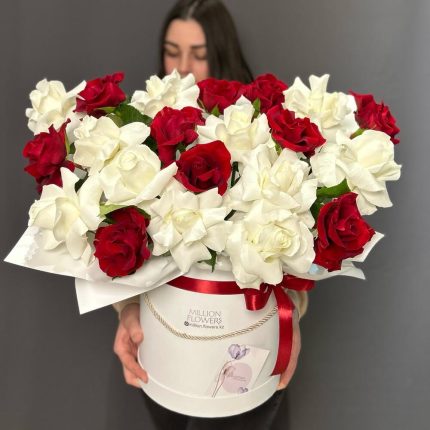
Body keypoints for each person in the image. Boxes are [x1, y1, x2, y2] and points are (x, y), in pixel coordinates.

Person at [112, 1, 308, 428]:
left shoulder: (263, 133)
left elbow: (294, 248)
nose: (182, 67)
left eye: (198, 54)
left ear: (221, 53)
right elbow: (121, 240)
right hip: (165, 351)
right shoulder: (141, 137)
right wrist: (126, 309)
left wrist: (288, 318)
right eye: (172, 51)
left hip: (247, 350)